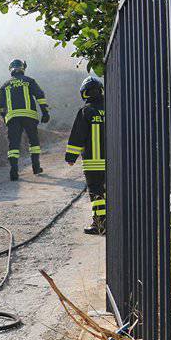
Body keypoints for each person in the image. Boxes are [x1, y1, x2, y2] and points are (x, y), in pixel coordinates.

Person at [65, 76, 106, 235]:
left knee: (97, 193)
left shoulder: (86, 111)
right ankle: (114, 221)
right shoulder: (111, 109)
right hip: (113, 161)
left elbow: (77, 136)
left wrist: (70, 157)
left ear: (84, 93)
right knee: (110, 190)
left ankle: (100, 225)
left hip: (93, 162)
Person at [0, 59, 50, 180]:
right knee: (34, 142)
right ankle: (36, 167)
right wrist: (45, 112)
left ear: (11, 69)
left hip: (13, 119)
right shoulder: (29, 81)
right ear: (22, 68)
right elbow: (40, 96)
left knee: (13, 145)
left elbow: (0, 104)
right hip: (29, 117)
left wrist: (5, 118)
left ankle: (14, 171)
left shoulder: (5, 85)